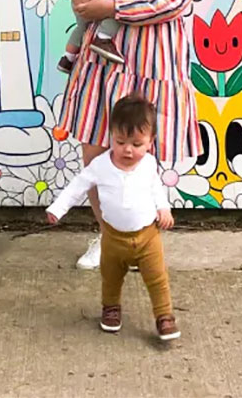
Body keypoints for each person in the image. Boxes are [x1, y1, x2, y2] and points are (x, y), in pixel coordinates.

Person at [58, 0, 206, 270]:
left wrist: (110, 6)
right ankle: (109, 238)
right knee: (96, 154)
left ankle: (139, 240)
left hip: (153, 66)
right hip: (103, 64)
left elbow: (172, 2)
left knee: (139, 158)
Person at [47, 93, 179, 341]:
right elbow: (78, 186)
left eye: (137, 144)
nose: (128, 149)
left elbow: (156, 188)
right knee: (111, 278)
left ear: (150, 142)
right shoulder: (101, 165)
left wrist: (164, 208)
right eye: (120, 141)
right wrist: (58, 208)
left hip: (148, 237)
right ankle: (110, 309)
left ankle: (164, 316)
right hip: (113, 239)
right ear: (111, 136)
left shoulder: (149, 164)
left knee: (157, 278)